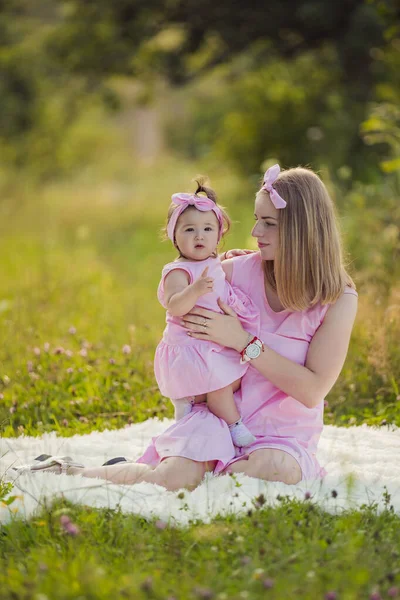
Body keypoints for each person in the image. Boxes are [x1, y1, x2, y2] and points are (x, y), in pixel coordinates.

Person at [15, 165, 358, 492]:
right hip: (217, 419)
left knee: (273, 469)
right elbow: (182, 288)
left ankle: (194, 475)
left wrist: (242, 341)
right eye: (256, 220)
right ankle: (69, 470)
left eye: (268, 223)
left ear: (302, 229)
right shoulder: (234, 270)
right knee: (176, 478)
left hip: (281, 437)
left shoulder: (338, 298)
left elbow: (312, 391)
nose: (255, 233)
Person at [154, 179, 260, 447]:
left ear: (218, 236)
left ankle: (192, 405)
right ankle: (233, 425)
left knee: (226, 382)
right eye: (189, 229)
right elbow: (175, 304)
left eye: (207, 229)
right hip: (191, 345)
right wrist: (195, 290)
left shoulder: (212, 260)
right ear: (174, 236)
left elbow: (220, 270)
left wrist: (232, 258)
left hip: (212, 342)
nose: (199, 236)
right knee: (219, 385)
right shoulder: (178, 271)